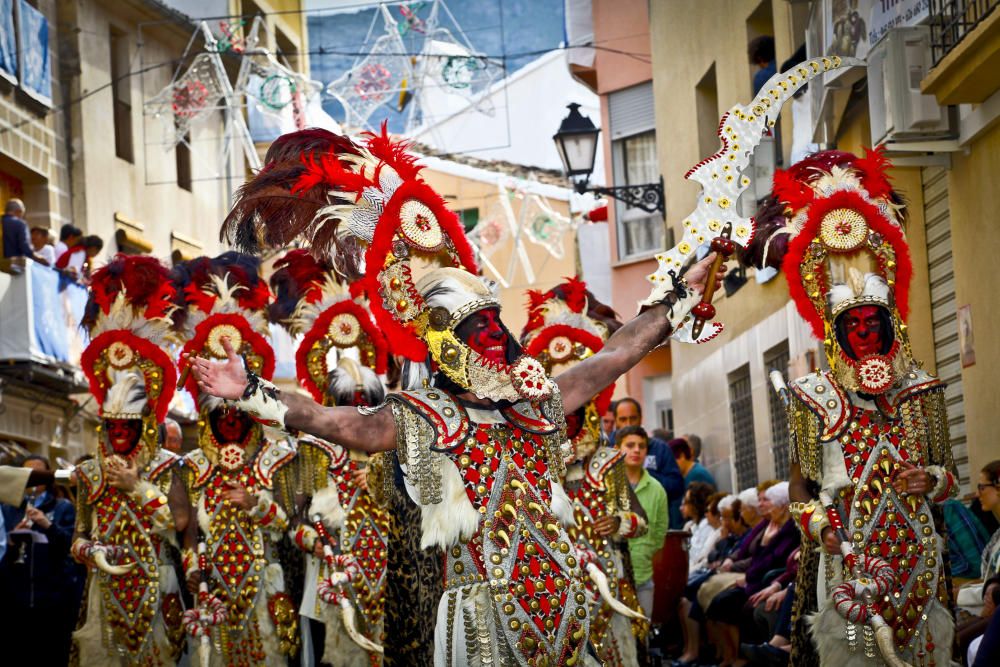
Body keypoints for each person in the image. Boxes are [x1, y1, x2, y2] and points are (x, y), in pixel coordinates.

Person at [189, 126, 724, 665]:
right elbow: (342, 423)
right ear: (449, 347)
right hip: (482, 618)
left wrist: (679, 298)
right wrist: (251, 390)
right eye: (479, 328)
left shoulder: (534, 403)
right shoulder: (428, 414)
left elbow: (615, 355)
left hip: (564, 605)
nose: (496, 336)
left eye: (497, 323)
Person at [745, 149, 959, 667]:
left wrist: (929, 480)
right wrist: (821, 526)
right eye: (853, 325)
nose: (864, 334)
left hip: (919, 559)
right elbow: (800, 486)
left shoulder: (922, 390)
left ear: (890, 325)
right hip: (847, 560)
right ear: (837, 332)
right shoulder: (814, 396)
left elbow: (951, 477)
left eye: (873, 323)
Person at [172, 252, 300, 666]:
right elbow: (187, 529)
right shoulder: (192, 466)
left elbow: (292, 527)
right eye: (220, 415)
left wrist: (258, 505)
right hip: (212, 592)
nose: (229, 422)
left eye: (236, 414)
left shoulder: (278, 458)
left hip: (266, 584)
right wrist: (193, 569)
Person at [268, 249, 391, 666]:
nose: (356, 411)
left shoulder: (395, 446)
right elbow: (292, 522)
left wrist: (383, 479)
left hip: (392, 577)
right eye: (348, 403)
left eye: (365, 403)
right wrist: (320, 546)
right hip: (333, 577)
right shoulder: (313, 448)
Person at [521, 276, 649, 665]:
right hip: (549, 587)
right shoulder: (531, 468)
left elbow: (638, 520)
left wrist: (619, 521)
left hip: (606, 585)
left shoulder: (608, 462)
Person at [71, 255, 192, 665]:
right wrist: (91, 551)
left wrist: (137, 488)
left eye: (128, 426)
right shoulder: (89, 472)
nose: (119, 433)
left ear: (144, 424)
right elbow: (79, 536)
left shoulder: (167, 466)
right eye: (112, 426)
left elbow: (179, 525)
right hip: (104, 593)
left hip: (158, 587)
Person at [705, 482, 799, 667]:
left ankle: (742, 659)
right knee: (720, 600)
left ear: (783, 507)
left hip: (765, 580)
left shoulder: (790, 530)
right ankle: (730, 657)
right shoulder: (770, 526)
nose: (765, 506)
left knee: (737, 603)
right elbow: (748, 556)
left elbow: (770, 563)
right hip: (763, 579)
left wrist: (765, 546)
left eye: (770, 502)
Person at [0, 455, 77, 665]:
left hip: (52, 594)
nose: (32, 483)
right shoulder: (8, 507)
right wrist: (13, 539)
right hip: (18, 595)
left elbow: (70, 544)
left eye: (37, 476)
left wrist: (47, 524)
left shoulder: (62, 507)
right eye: (27, 476)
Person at [618, 425, 669, 620]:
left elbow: (659, 536)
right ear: (618, 449)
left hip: (643, 576)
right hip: (613, 578)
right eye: (630, 445)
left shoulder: (657, 490)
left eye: (641, 446)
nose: (636, 450)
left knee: (642, 638)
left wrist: (644, 553)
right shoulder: (606, 487)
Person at [614, 398, 686, 528]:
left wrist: (643, 476)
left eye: (633, 418)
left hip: (653, 525)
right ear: (616, 422)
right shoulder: (606, 449)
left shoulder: (660, 448)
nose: (628, 424)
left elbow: (677, 486)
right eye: (623, 419)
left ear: (641, 419)